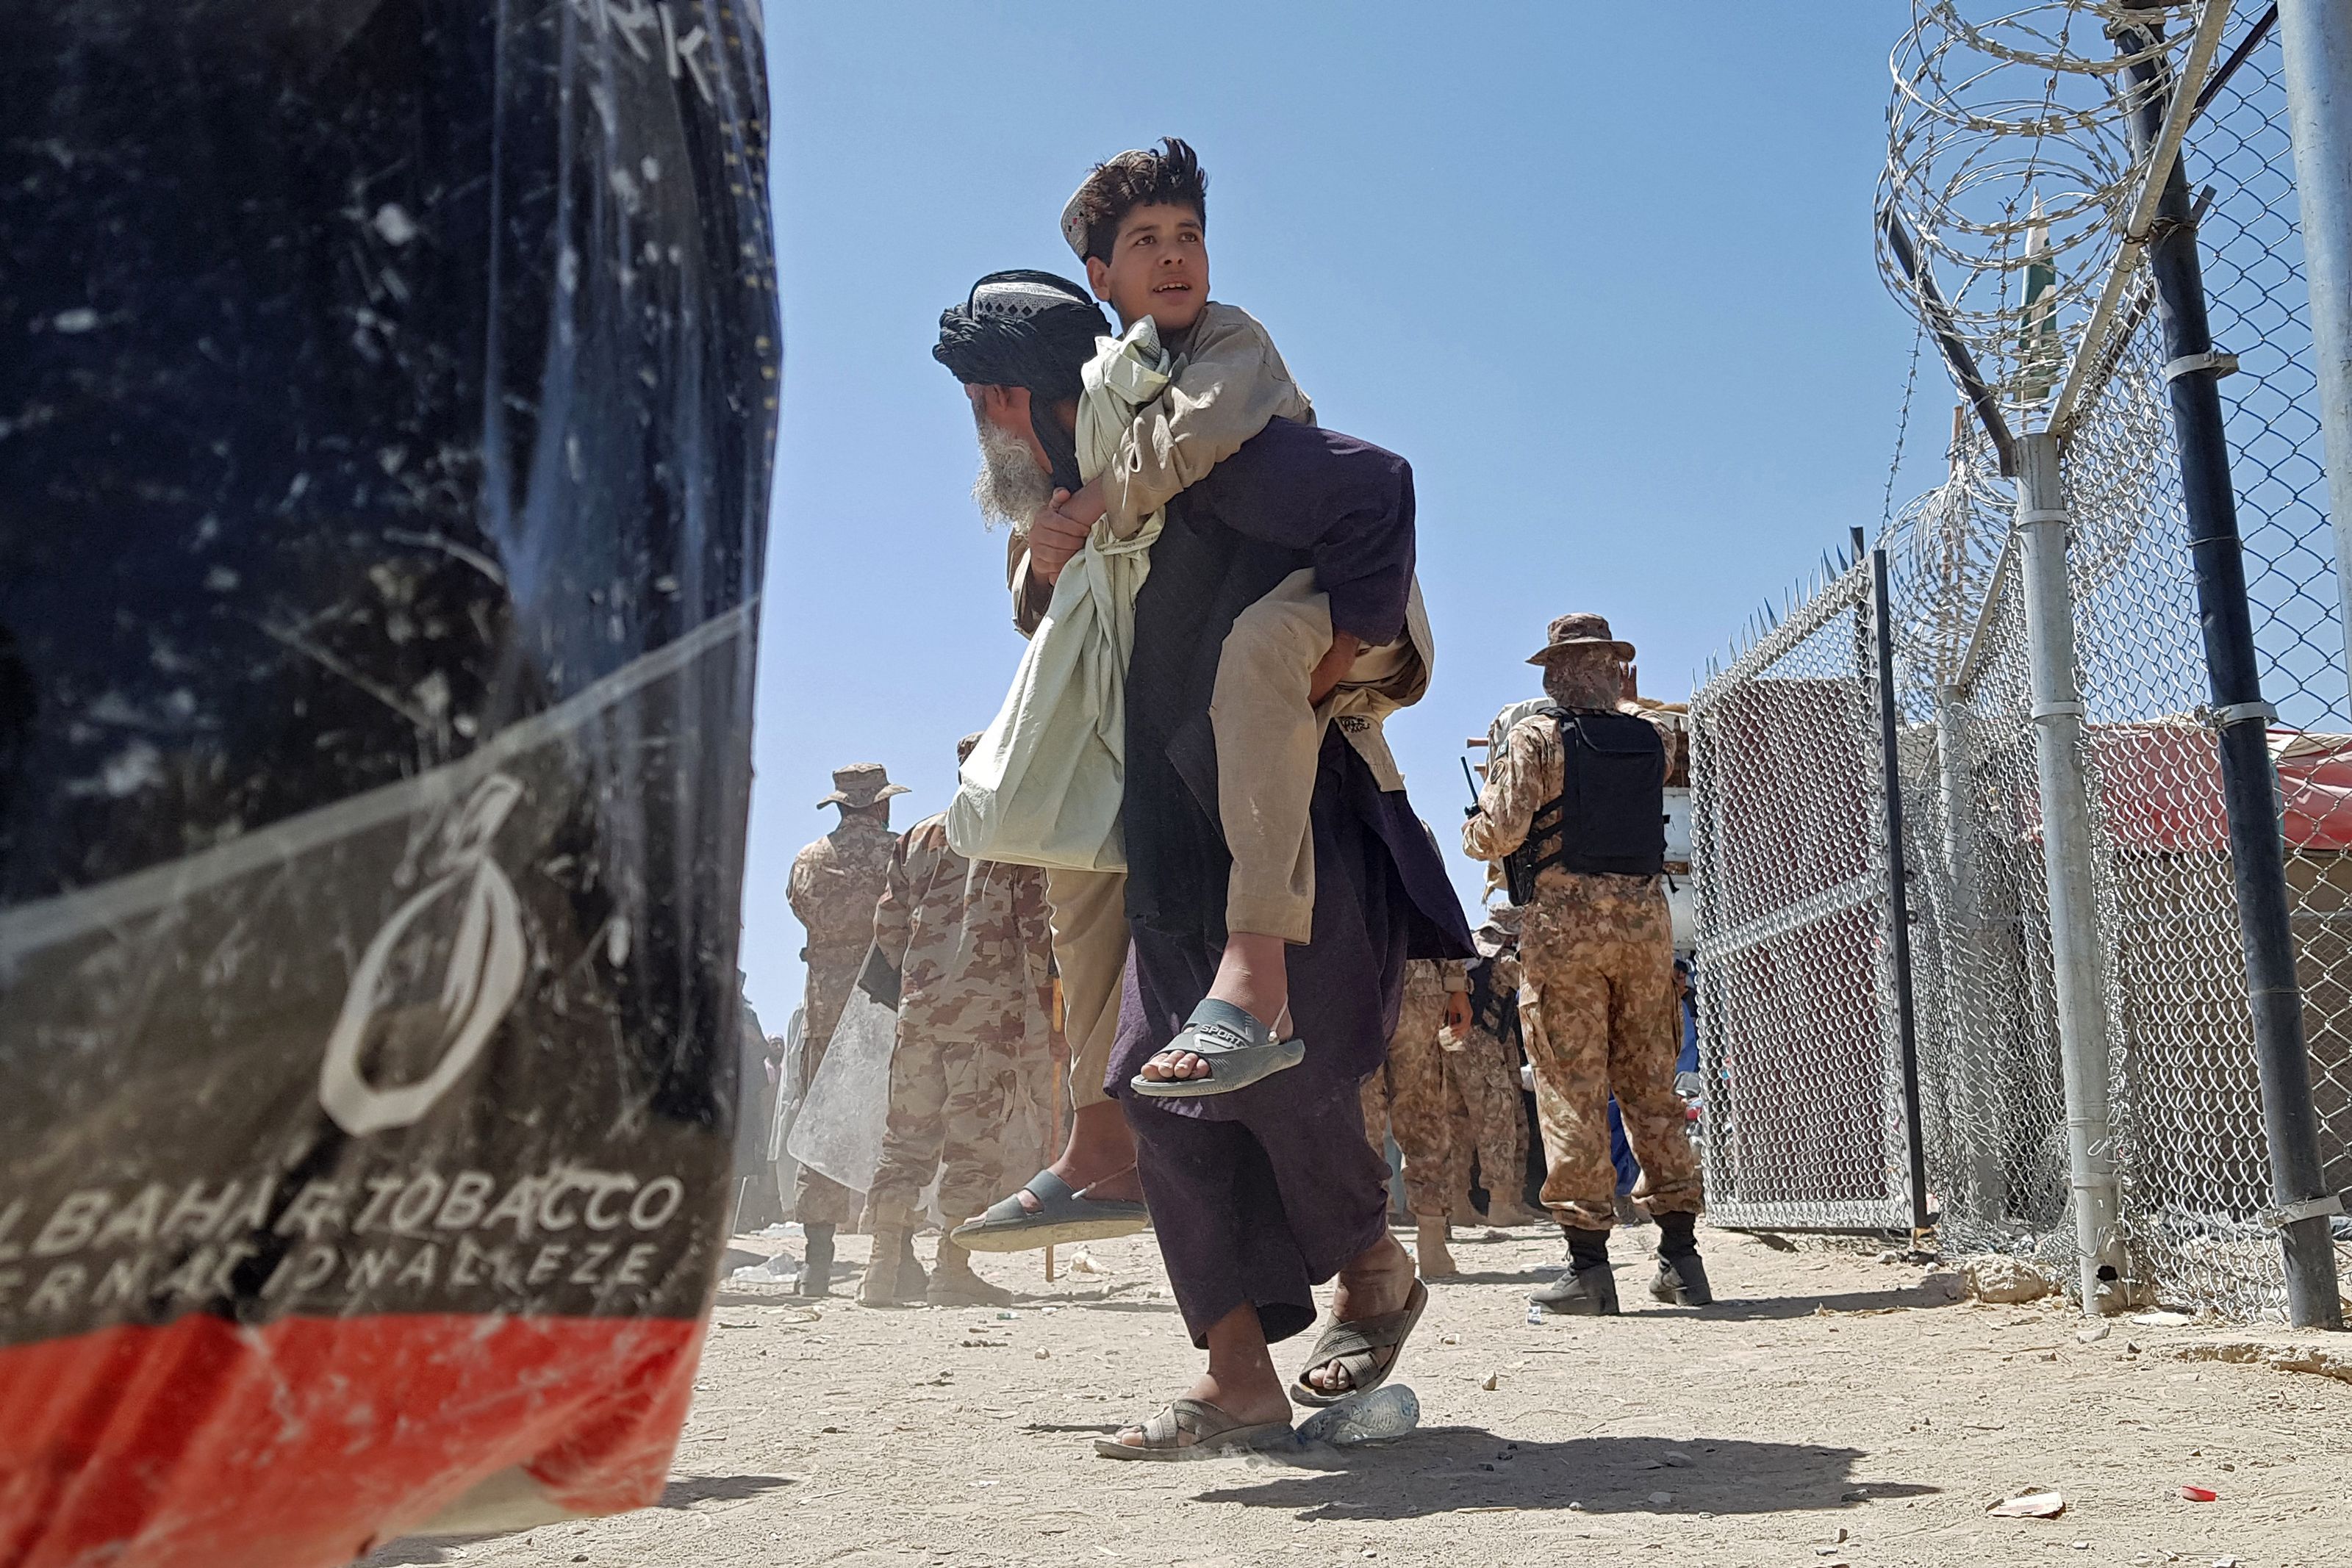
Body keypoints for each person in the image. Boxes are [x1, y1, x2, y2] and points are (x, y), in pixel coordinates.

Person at [1463, 614, 1713, 1315]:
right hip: (1645, 927)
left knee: (1570, 1087)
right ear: (1612, 670)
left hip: (1565, 931)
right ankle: (1682, 1262)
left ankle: (1587, 1270)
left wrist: (1470, 830)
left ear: (1551, 673)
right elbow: (1665, 742)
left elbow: (1500, 833)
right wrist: (1630, 703)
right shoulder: (1653, 736)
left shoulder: (1537, 738)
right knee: (1652, 1087)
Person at [861, 736, 1057, 1309]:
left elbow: (889, 922)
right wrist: (1050, 1001)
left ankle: (882, 1268)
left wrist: (918, 982)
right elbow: (1038, 932)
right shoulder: (1015, 838)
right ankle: (952, 1265)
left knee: (905, 1138)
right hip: (986, 1017)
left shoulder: (921, 834)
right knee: (973, 1144)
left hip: (920, 1013)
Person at [785, 763, 907, 1296]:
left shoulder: (809, 859)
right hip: (887, 998)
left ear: (839, 806)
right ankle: (895, 1251)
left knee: (822, 1127)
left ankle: (817, 1259)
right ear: (881, 805)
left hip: (826, 1006)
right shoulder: (903, 853)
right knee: (897, 1123)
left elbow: (799, 910)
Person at [1360, 957, 1473, 1277]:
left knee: (1362, 1118)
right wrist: (1456, 986)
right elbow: (1441, 910)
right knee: (1422, 1110)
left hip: (1349, 975)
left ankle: (1373, 1245)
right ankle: (1432, 1238)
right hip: (1414, 978)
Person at [1455, 912, 1546, 1227]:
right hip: (1481, 1045)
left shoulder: (1468, 954)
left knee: (1459, 1125)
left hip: (1455, 1044)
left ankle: (1459, 1203)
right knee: (1498, 1120)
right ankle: (1501, 1203)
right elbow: (1536, 983)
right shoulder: (1503, 960)